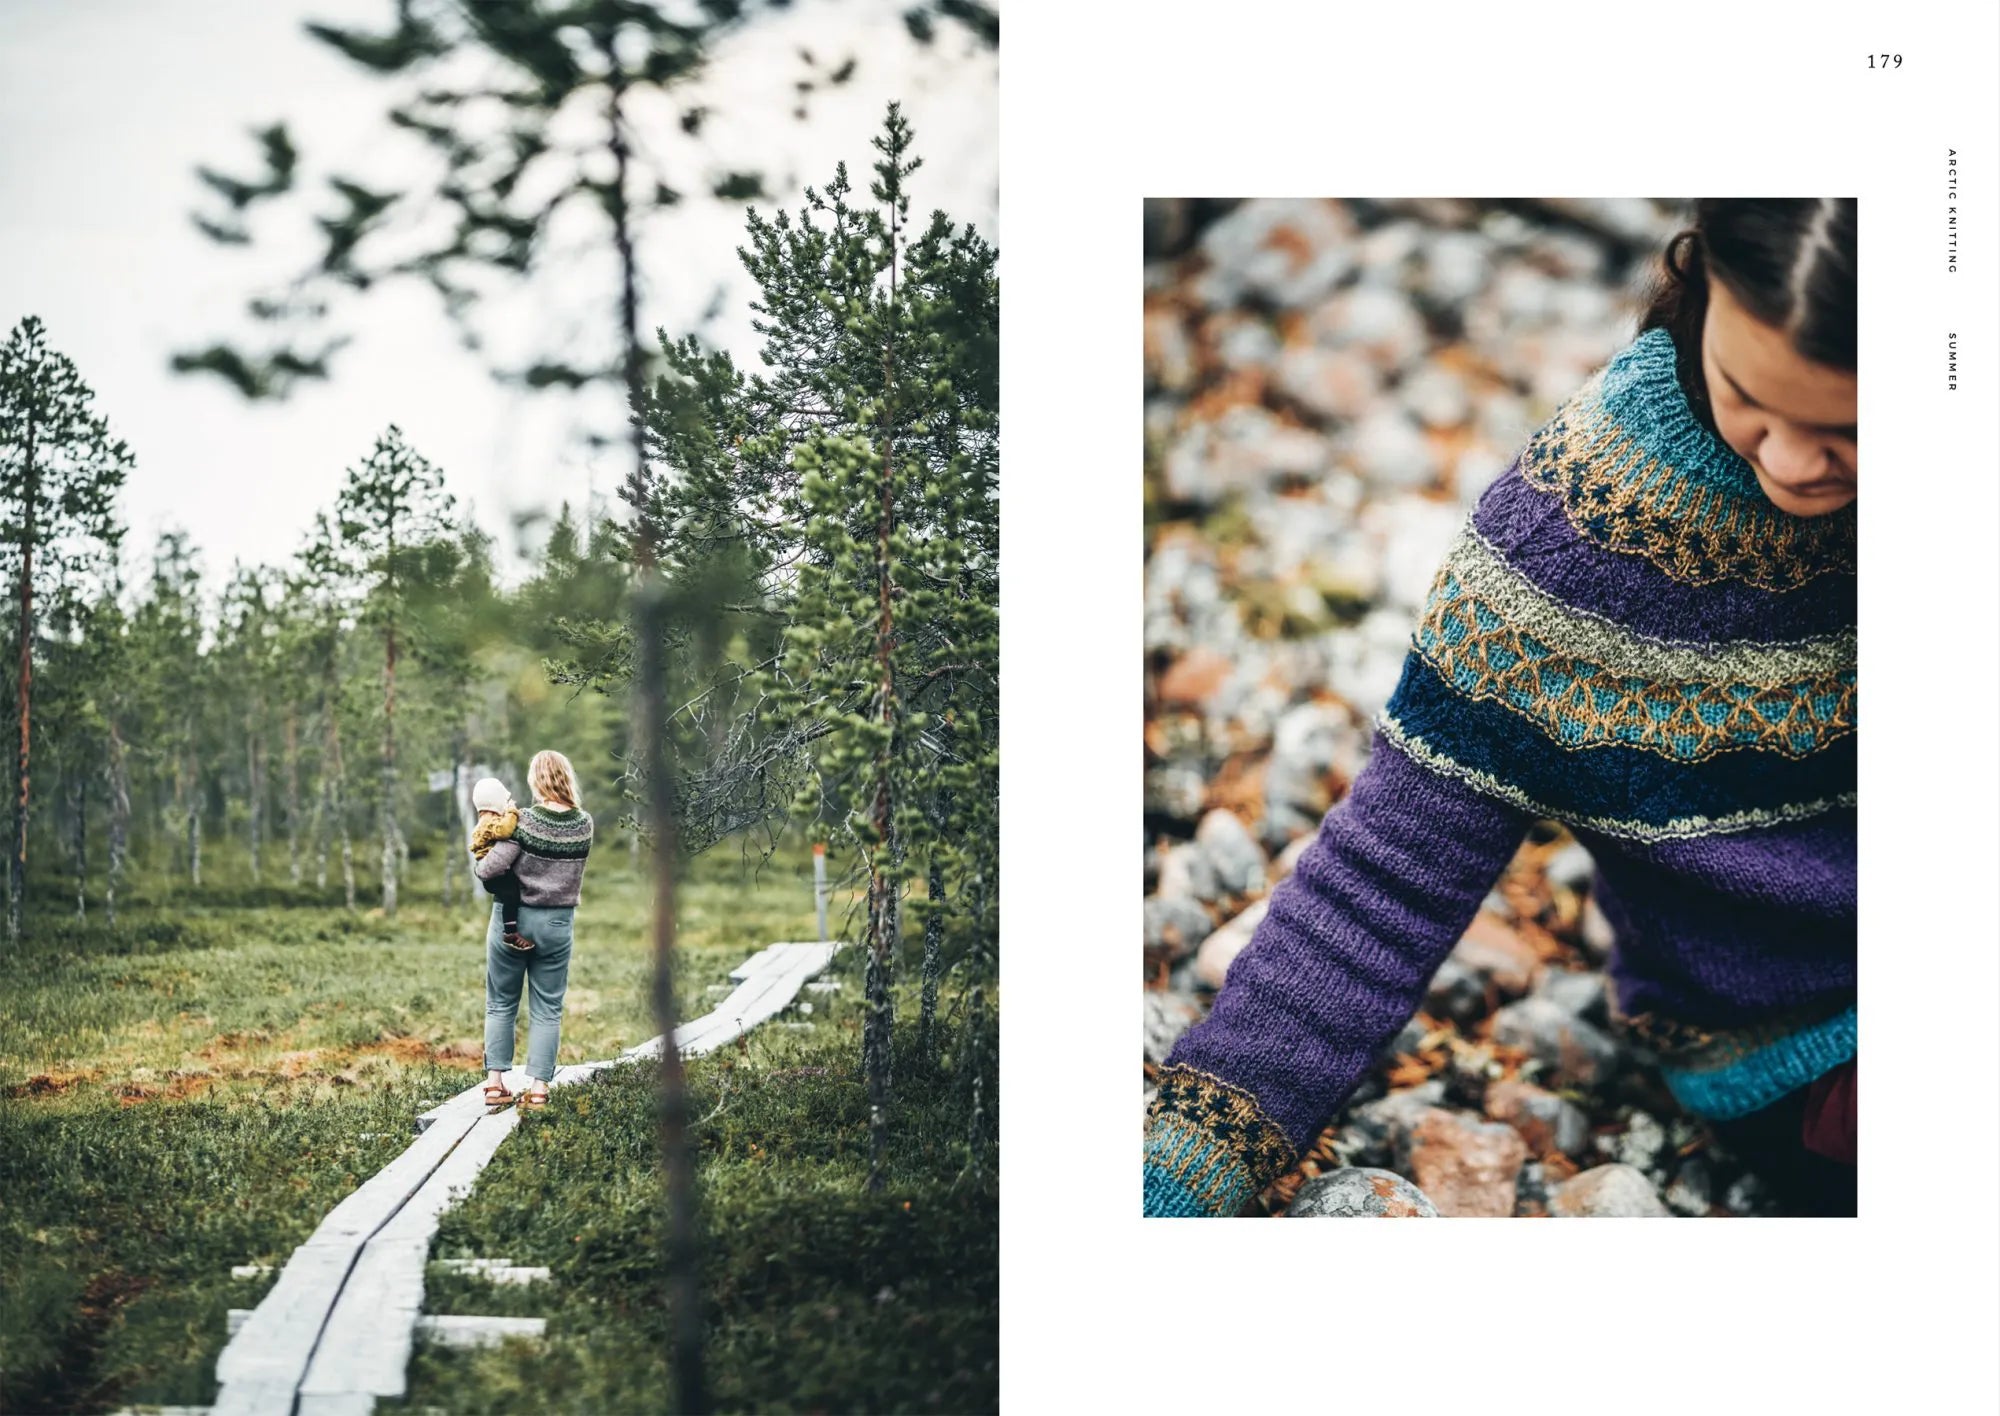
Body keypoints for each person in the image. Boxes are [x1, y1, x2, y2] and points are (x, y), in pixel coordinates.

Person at [1144, 199, 1858, 1217]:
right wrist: (1172, 1180)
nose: (1788, 462)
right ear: (1699, 281)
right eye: (1746, 392)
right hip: (1806, 1038)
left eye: (1846, 431)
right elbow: (1377, 887)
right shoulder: (1569, 556)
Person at [476, 749, 595, 1112]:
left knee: (500, 1003)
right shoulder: (584, 823)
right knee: (548, 1009)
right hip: (558, 923)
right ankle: (540, 1088)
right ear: (566, 777)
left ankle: (496, 1084)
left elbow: (488, 871)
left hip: (514, 920)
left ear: (535, 780)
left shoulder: (523, 821)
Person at [468, 776, 527, 948]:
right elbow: (504, 831)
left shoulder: (486, 820)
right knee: (512, 895)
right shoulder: (490, 821)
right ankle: (510, 933)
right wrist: (513, 812)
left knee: (512, 893)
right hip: (494, 875)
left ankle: (511, 929)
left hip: (493, 873)